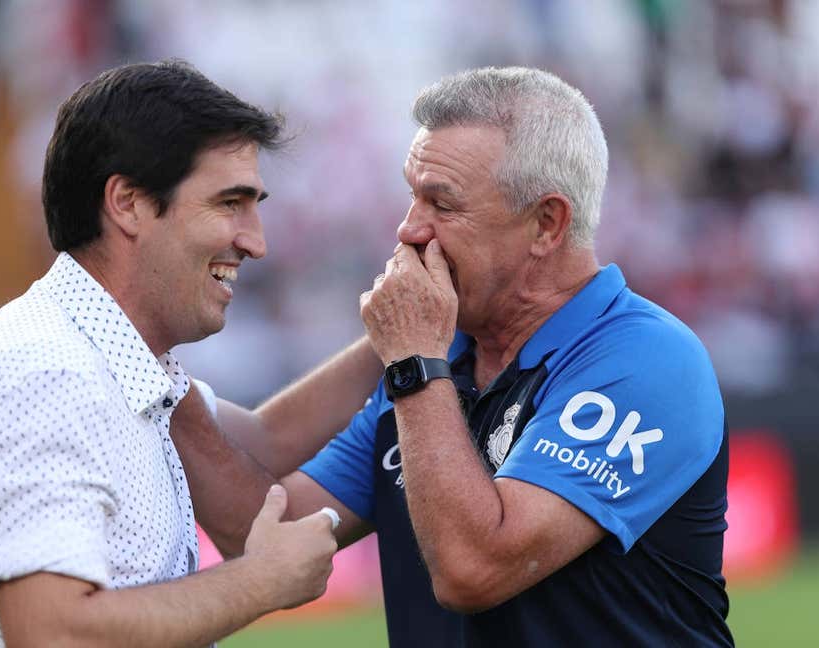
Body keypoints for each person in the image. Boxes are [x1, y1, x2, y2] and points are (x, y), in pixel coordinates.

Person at [172, 66, 732, 646]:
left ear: (547, 223)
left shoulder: (646, 360)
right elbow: (263, 528)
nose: (410, 229)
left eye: (442, 203)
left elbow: (474, 569)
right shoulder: (443, 357)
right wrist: (139, 348)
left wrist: (415, 362)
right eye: (412, 195)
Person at [0, 60, 340, 648]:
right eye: (229, 203)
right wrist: (259, 583)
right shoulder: (47, 370)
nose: (256, 242)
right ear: (128, 203)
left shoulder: (119, 358)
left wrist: (412, 339)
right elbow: (51, 632)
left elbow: (263, 449)